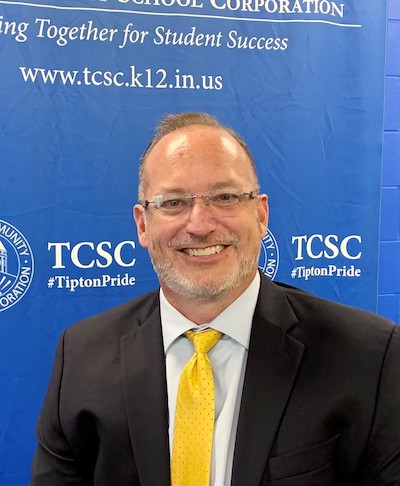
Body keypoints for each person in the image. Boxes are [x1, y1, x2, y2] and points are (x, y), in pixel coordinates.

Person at [30, 112, 400, 486]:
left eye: (225, 197)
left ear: (261, 214)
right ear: (143, 224)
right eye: (173, 203)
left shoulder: (369, 356)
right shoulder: (79, 356)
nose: (200, 224)